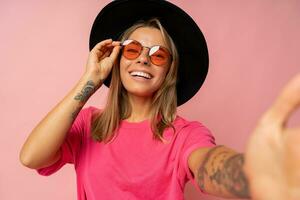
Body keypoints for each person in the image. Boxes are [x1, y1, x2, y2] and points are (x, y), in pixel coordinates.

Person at [19, 0, 300, 199]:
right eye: (132, 50)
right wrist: (89, 81)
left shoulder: (185, 135)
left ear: (168, 72)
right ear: (115, 60)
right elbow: (32, 157)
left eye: (158, 54)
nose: (143, 57)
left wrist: (254, 172)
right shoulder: (88, 124)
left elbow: (208, 164)